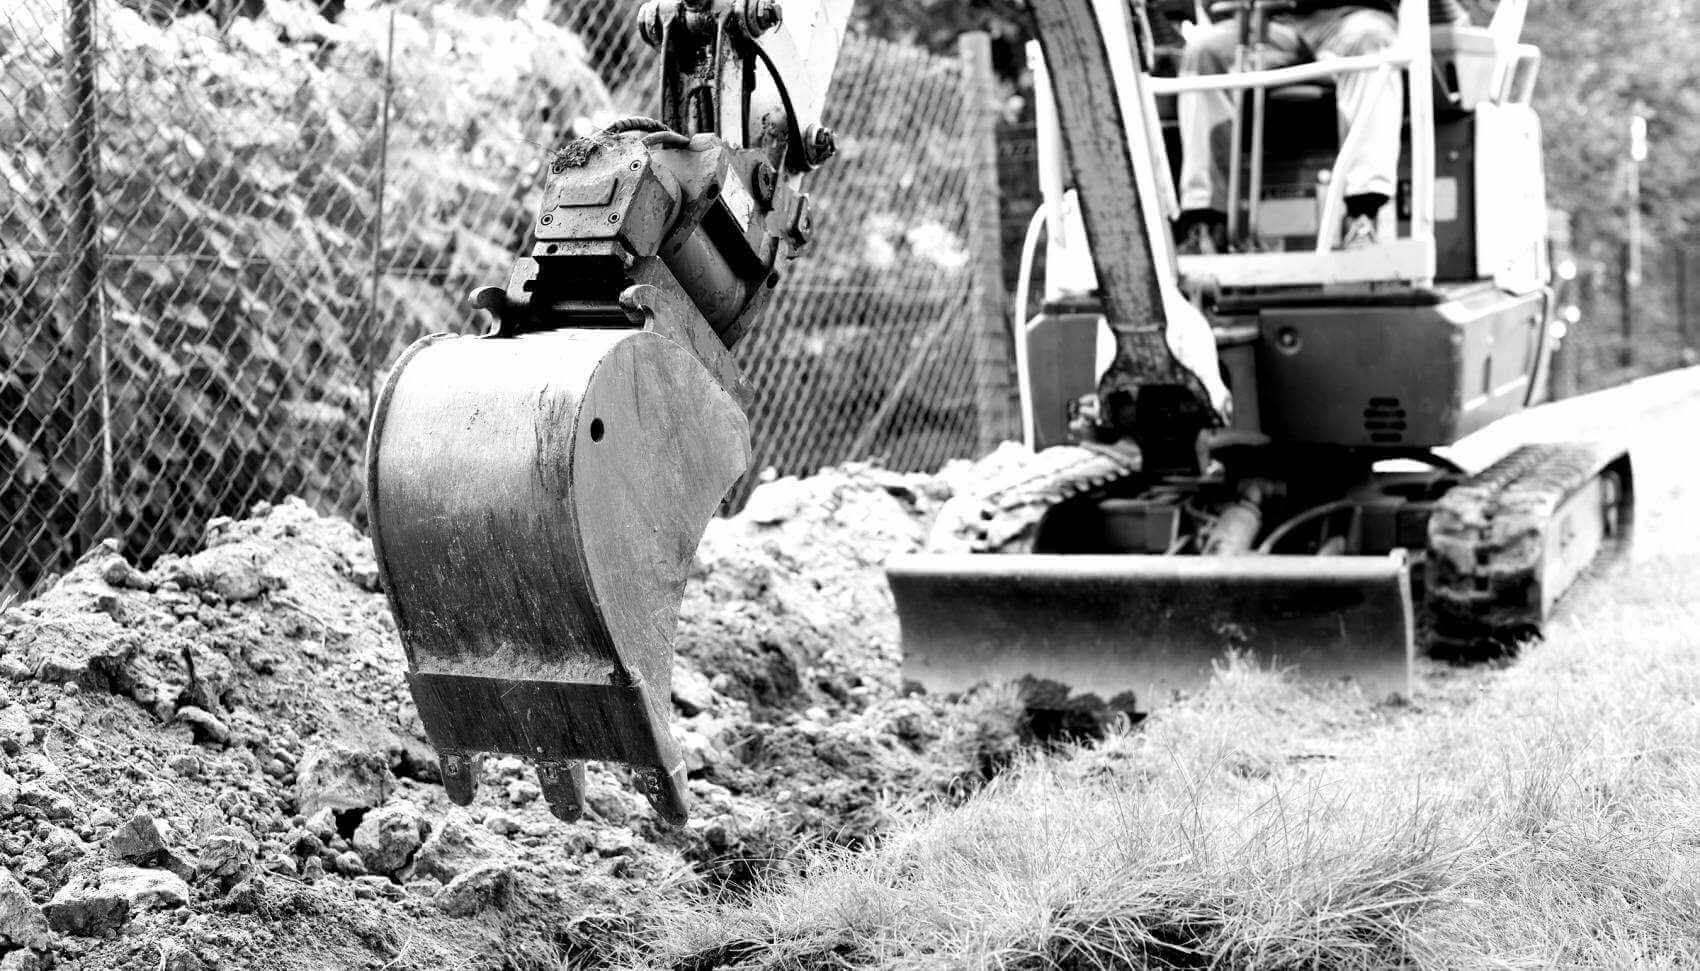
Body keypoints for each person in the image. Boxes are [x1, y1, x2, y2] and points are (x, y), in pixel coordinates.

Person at [1174, 0, 1403, 254]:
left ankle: (1362, 218)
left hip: (1349, 18)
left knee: (1370, 39)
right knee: (1204, 51)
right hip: (1271, 23)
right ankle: (1206, 224)